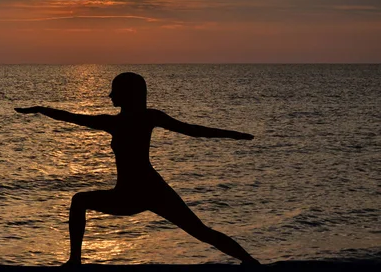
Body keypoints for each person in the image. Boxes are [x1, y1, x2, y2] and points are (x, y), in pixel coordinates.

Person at [15, 72, 260, 266]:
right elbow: (72, 117)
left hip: (144, 192)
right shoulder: (137, 118)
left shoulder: (128, 120)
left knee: (200, 231)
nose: (110, 95)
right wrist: (42, 110)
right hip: (138, 191)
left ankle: (75, 262)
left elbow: (193, 130)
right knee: (200, 231)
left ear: (127, 94)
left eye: (115, 90)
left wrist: (233, 135)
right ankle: (250, 261)